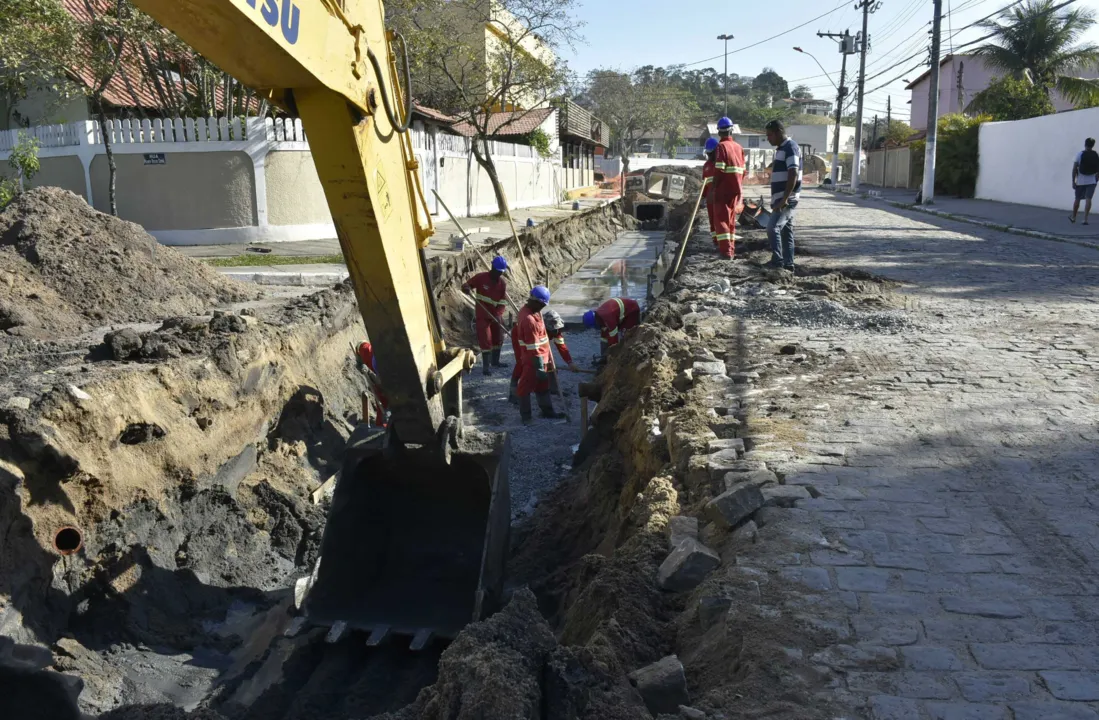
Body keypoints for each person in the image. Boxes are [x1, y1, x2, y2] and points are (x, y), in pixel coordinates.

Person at [515, 286, 566, 424]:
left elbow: (542, 337)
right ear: (536, 302)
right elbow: (533, 347)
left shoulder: (535, 312)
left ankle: (547, 412)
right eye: (542, 305)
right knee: (525, 386)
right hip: (533, 360)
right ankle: (526, 417)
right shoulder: (528, 319)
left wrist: (546, 358)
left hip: (543, 357)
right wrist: (538, 367)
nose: (543, 308)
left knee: (543, 386)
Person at [508, 309, 578, 403]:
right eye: (553, 331)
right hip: (521, 337)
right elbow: (534, 349)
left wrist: (570, 362)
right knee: (522, 362)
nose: (556, 333)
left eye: (557, 330)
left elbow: (562, 347)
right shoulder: (535, 328)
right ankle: (513, 392)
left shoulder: (556, 330)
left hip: (537, 340)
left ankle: (553, 387)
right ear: (546, 328)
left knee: (548, 360)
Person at [462, 256, 510, 375]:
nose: (499, 274)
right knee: (485, 339)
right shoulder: (481, 278)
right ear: (492, 267)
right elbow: (466, 285)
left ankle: (495, 361)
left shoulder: (502, 284)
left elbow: (503, 302)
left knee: (498, 337)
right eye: (498, 271)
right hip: (482, 315)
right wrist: (467, 289)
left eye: (501, 272)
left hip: (495, 315)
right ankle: (486, 367)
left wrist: (498, 314)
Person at [764, 119, 800, 271]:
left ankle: (778, 262)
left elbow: (793, 172)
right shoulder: (781, 148)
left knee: (772, 228)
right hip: (782, 198)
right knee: (787, 233)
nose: (768, 138)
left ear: (779, 132)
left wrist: (784, 199)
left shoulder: (790, 147)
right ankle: (789, 264)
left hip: (786, 199)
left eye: (770, 135)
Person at [711, 117, 746, 259]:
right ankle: (731, 250)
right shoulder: (739, 148)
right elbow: (743, 171)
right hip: (735, 190)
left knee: (721, 221)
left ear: (719, 132)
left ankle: (726, 252)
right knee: (731, 221)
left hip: (723, 190)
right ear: (732, 130)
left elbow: (719, 170)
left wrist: (713, 188)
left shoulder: (721, 147)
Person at [355, 341, 388, 427]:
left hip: (387, 380)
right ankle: (381, 425)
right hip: (374, 363)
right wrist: (359, 362)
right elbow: (362, 347)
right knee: (382, 400)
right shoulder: (368, 352)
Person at [1071, 137, 1098, 225]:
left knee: (1077, 199)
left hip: (1081, 181)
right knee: (1088, 199)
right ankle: (1085, 219)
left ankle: (1074, 217)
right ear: (1092, 145)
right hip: (1092, 181)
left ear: (1085, 144)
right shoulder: (1095, 154)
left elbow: (1074, 169)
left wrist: (1073, 181)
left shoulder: (1080, 154)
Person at [701, 137, 720, 247]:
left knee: (720, 220)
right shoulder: (706, 166)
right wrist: (703, 197)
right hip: (710, 198)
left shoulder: (720, 165)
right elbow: (704, 183)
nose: (709, 155)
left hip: (720, 197)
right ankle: (715, 240)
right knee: (712, 220)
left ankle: (723, 242)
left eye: (710, 153)